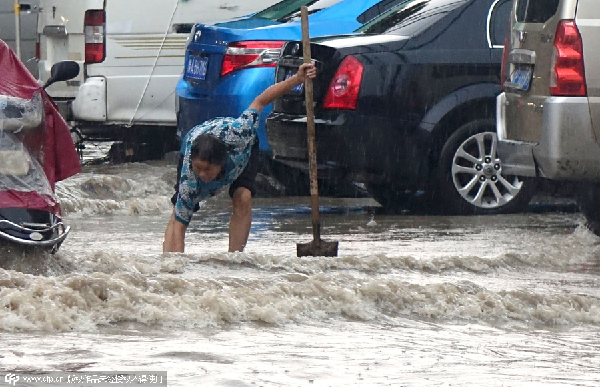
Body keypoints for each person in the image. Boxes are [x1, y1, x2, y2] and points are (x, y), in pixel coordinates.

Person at [163, 62, 317, 253]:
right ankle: (167, 259)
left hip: (245, 150)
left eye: (207, 169)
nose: (202, 174)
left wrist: (298, 78)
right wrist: (174, 273)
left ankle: (235, 256)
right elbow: (179, 227)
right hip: (194, 141)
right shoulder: (191, 177)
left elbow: (260, 101)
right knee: (180, 212)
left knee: (243, 196)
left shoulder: (241, 132)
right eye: (199, 169)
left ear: (222, 163)